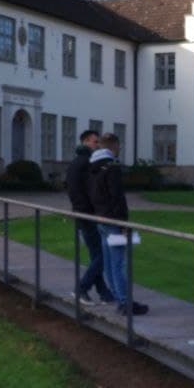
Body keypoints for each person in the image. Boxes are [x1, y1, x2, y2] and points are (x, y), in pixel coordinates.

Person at [88, 133, 148, 316]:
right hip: (112, 220)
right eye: (119, 147)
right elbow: (117, 197)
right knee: (119, 263)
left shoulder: (95, 167)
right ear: (114, 146)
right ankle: (124, 302)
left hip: (101, 218)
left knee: (109, 262)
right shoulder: (112, 167)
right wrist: (123, 223)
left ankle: (119, 298)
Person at [65, 129, 114, 304]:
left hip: (81, 213)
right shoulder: (87, 163)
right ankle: (82, 288)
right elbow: (92, 192)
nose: (98, 145)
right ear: (86, 142)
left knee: (96, 255)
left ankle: (104, 293)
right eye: (95, 142)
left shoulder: (76, 162)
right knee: (102, 255)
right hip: (88, 215)